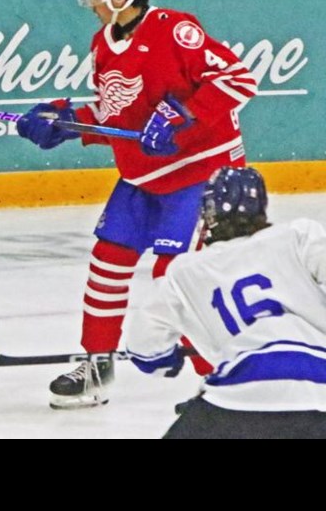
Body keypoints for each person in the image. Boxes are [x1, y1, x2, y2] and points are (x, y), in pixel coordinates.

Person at [14, 0, 259, 409]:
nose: (92, 2)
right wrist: (66, 122)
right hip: (143, 178)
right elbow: (117, 118)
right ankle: (96, 364)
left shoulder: (175, 30)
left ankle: (219, 379)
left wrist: (181, 117)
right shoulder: (104, 43)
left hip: (199, 173)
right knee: (107, 260)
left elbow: (238, 80)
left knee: (179, 276)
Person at [125, 166, 326, 439]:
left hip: (239, 395)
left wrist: (165, 362)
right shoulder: (298, 236)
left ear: (209, 213)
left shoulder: (185, 271)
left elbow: (144, 347)